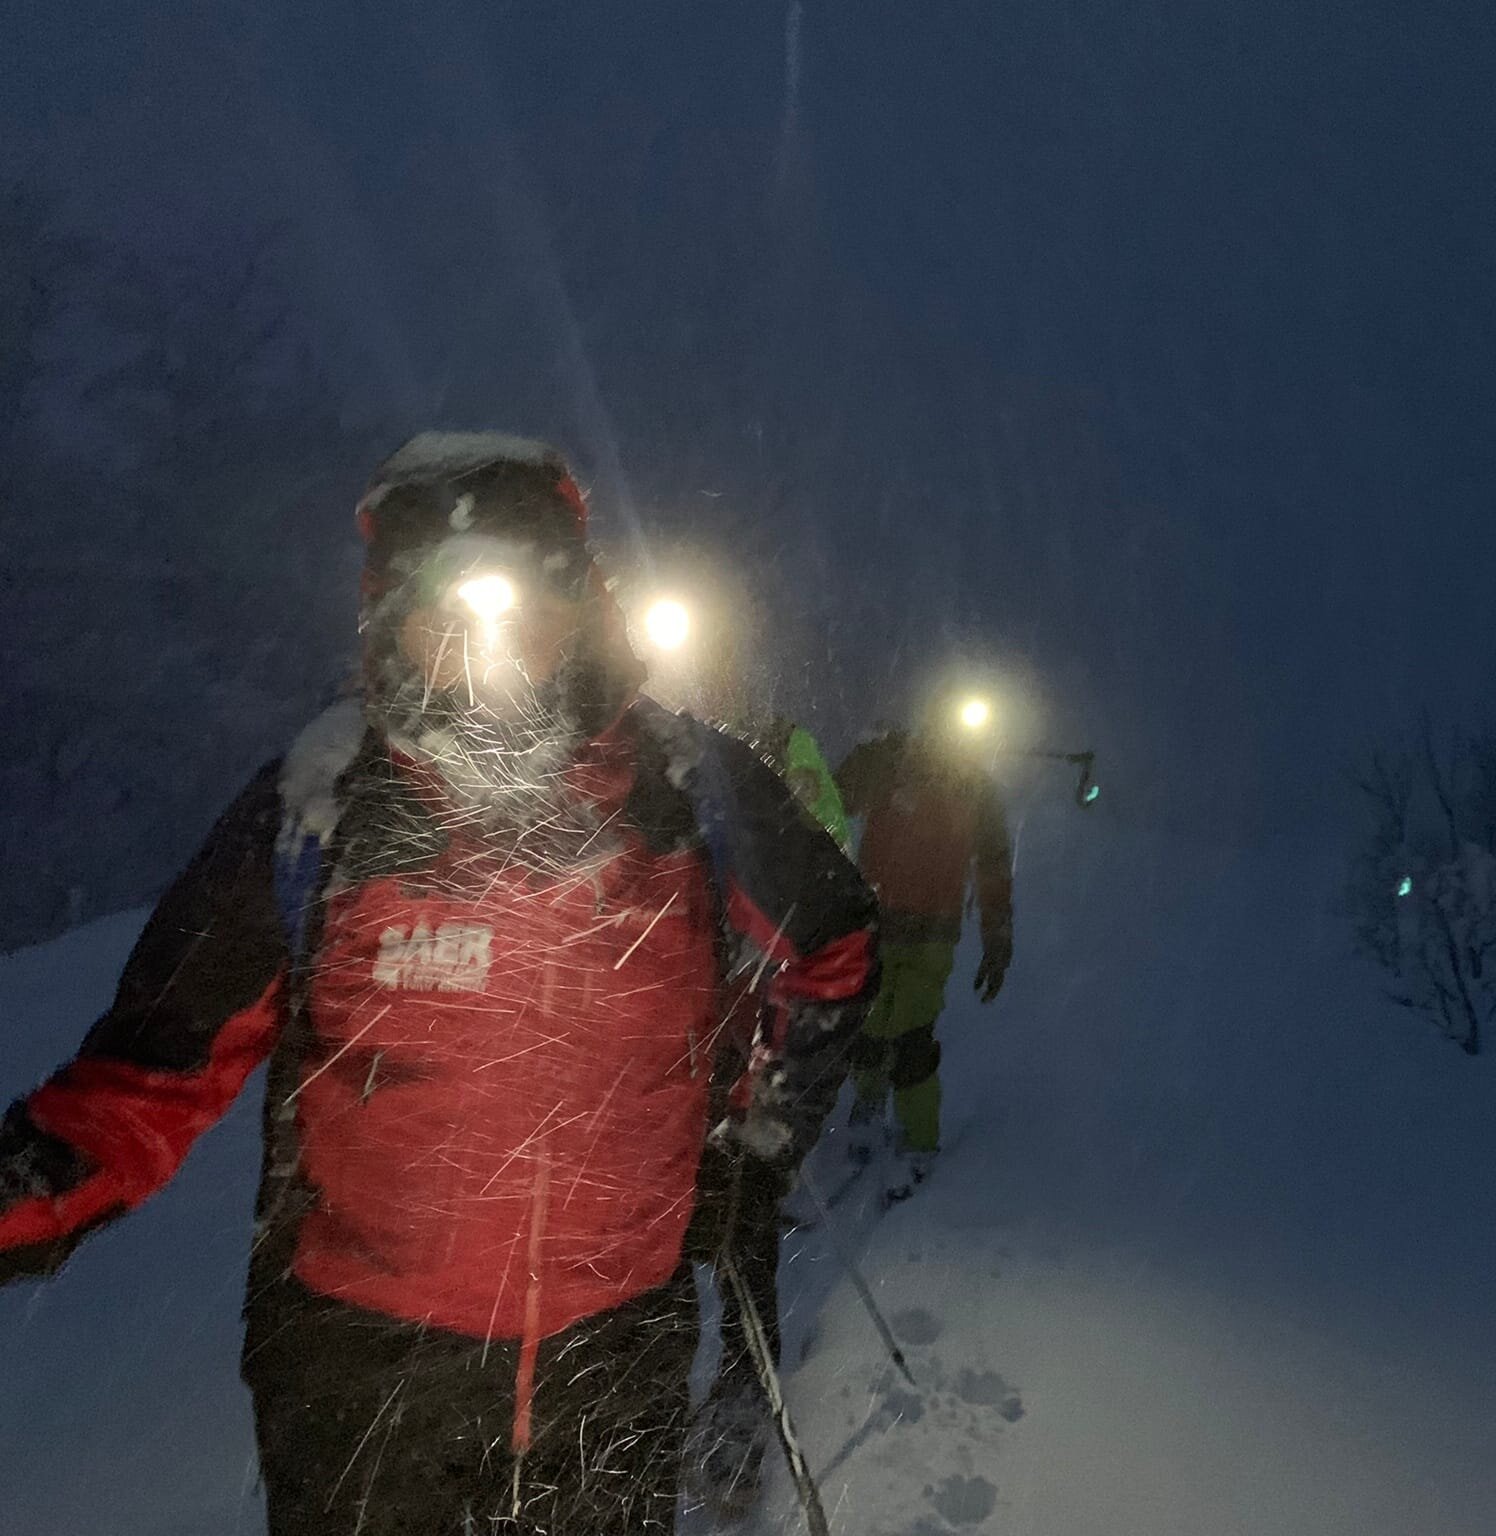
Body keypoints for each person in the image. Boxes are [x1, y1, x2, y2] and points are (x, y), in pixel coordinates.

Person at [0, 433, 878, 1536]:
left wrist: (757, 1133)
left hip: (612, 1364)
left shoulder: (684, 792)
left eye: (521, 602)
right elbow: (150, 1074)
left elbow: (833, 941)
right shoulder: (324, 809)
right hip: (362, 1380)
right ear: (390, 620)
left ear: (579, 603)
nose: (485, 643)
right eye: (443, 610)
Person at [683, 709, 856, 1514]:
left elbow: (825, 883)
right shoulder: (671, 755)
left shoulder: (768, 761)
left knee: (743, 1243)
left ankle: (742, 1403)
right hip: (657, 1070)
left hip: (740, 1029)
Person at [834, 714, 1013, 1195]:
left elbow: (994, 869)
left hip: (931, 934)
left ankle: (919, 1142)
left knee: (911, 1037)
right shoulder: (892, 764)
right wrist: (867, 758)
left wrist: (997, 941)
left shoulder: (974, 789)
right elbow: (836, 796)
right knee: (870, 1025)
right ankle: (869, 1107)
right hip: (875, 922)